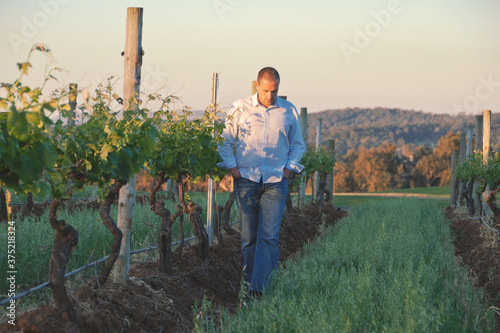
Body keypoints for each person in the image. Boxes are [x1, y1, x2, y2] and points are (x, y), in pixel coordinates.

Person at [217, 67, 306, 295]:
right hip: (246, 180)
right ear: (258, 86)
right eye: (266, 90)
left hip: (276, 181)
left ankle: (258, 291)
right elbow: (225, 140)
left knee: (269, 237)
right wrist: (234, 170)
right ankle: (250, 287)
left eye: (274, 91)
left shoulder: (288, 111)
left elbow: (298, 145)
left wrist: (287, 171)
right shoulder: (240, 107)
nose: (270, 96)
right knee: (249, 238)